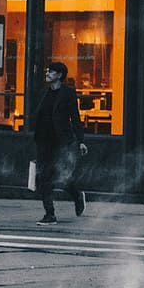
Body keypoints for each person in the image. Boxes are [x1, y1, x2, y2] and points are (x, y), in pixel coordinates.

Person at [33, 61, 88, 224]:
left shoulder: (68, 93)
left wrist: (81, 141)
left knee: (60, 177)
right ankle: (49, 214)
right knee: (44, 178)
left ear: (59, 75)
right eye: (47, 71)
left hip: (61, 142)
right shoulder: (44, 93)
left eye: (51, 71)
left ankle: (77, 194)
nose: (47, 73)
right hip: (43, 141)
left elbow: (75, 118)